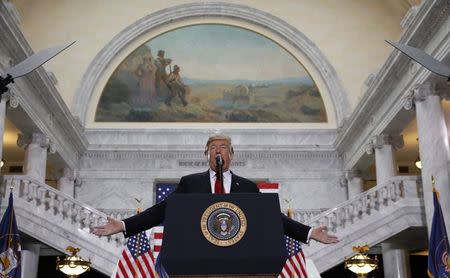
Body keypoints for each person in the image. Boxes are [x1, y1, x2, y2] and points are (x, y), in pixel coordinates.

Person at [92, 134, 339, 245]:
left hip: (239, 253)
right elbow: (160, 211)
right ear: (206, 154)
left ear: (231, 155)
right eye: (213, 147)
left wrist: (308, 232)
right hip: (197, 251)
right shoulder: (190, 183)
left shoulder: (248, 187)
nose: (218, 150)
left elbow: (273, 218)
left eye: (223, 147)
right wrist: (124, 225)